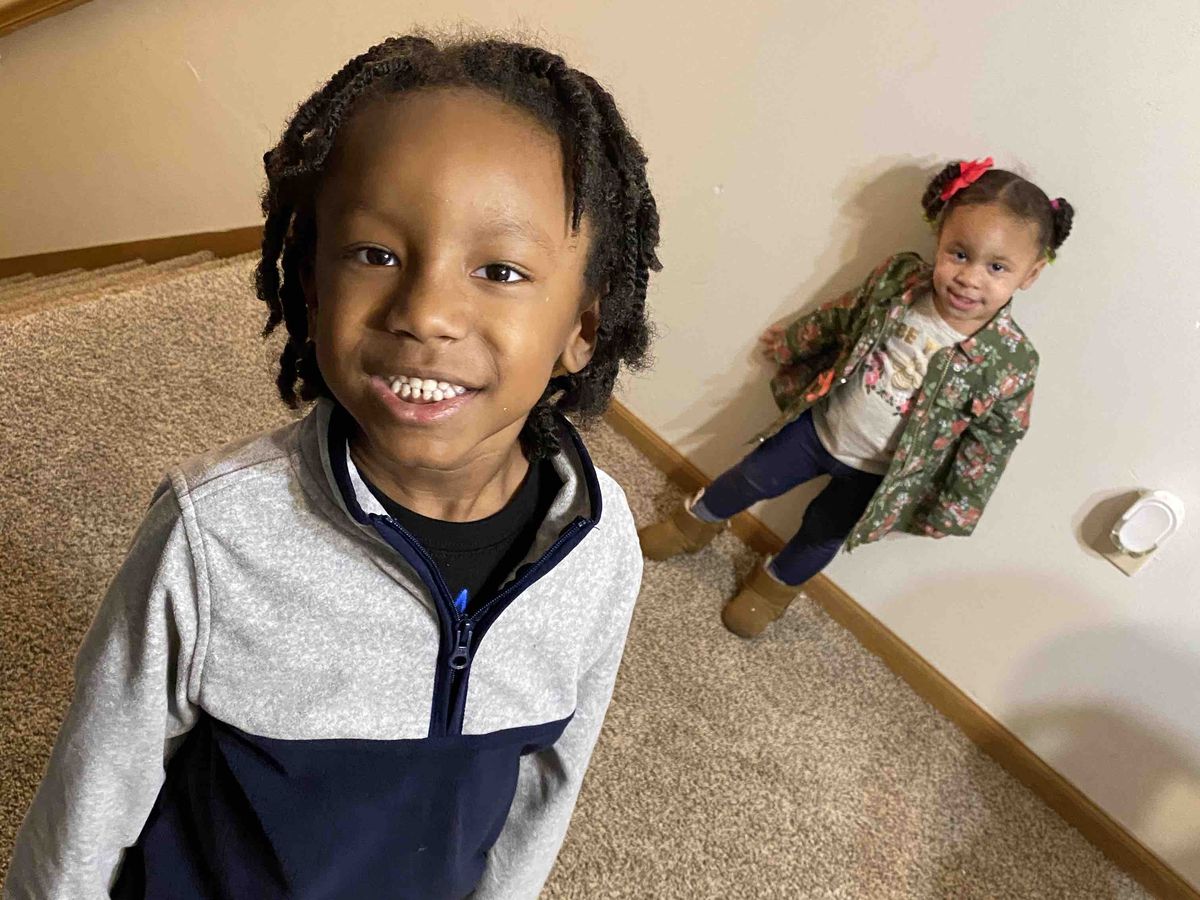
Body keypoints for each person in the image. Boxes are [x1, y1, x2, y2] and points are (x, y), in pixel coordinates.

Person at [5, 34, 660, 900]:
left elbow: (548, 786)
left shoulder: (601, 549)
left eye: (499, 270)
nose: (425, 312)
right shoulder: (214, 534)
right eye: (375, 254)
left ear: (583, 327)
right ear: (312, 284)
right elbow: (94, 792)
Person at [639, 158, 1073, 638]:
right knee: (751, 476)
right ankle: (692, 525)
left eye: (996, 267)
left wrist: (957, 504)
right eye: (959, 254)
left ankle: (770, 590)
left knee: (821, 535)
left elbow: (994, 441)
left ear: (1030, 274)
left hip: (880, 479)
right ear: (939, 238)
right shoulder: (899, 281)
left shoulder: (1011, 362)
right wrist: (794, 342)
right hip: (821, 428)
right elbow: (842, 315)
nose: (969, 278)